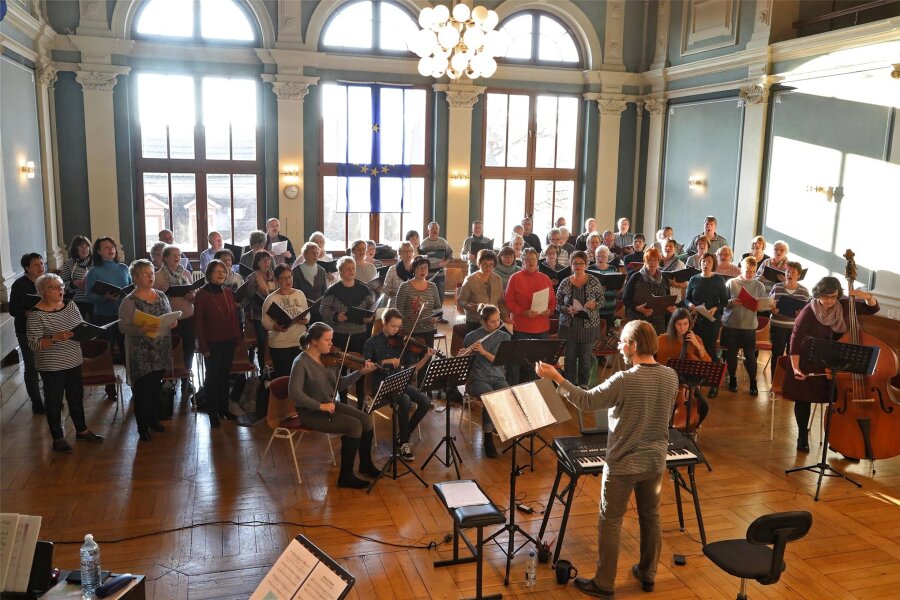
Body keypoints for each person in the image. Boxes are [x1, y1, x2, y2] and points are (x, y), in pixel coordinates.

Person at [535, 320, 677, 600]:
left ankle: (604, 583)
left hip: (623, 462)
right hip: (655, 461)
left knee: (610, 521)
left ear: (634, 346)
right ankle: (648, 575)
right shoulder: (670, 375)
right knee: (651, 517)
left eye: (623, 341)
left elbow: (587, 402)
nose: (620, 347)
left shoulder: (624, 379)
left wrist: (557, 379)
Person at [784, 277, 879, 454]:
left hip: (835, 360)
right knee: (803, 399)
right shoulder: (808, 312)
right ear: (818, 294)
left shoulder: (843, 304)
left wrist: (865, 295)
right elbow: (795, 341)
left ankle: (837, 442)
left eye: (833, 297)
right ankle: (802, 436)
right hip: (809, 359)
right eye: (825, 297)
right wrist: (796, 367)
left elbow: (872, 308)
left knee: (838, 400)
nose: (829, 301)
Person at [288, 323, 379, 489]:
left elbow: (340, 384)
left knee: (366, 420)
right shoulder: (301, 362)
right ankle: (346, 477)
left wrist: (360, 373)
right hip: (310, 413)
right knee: (354, 426)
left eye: (331, 340)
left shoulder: (329, 359)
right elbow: (295, 394)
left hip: (329, 404)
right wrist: (320, 406)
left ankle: (365, 465)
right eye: (327, 340)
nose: (331, 344)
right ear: (314, 341)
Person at [26, 273, 104, 451]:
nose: (61, 289)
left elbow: (80, 326)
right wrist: (54, 338)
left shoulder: (70, 305)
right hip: (51, 365)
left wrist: (89, 332)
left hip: (74, 359)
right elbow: (33, 344)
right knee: (54, 401)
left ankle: (82, 431)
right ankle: (58, 438)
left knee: (76, 396)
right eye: (55, 287)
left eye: (61, 285)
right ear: (43, 291)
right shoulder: (36, 315)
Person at [362, 308, 434, 461]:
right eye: (393, 326)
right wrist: (384, 362)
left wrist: (426, 357)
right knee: (406, 400)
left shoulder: (402, 343)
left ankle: (403, 435)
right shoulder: (371, 342)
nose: (396, 330)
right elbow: (365, 367)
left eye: (398, 326)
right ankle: (404, 444)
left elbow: (413, 369)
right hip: (380, 384)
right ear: (384, 323)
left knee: (426, 402)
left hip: (399, 382)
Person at [118, 259, 175, 442]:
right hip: (141, 352)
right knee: (143, 391)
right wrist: (140, 329)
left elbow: (169, 314)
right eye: (145, 274)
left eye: (151, 273)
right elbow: (123, 327)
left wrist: (173, 322)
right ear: (135, 277)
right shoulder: (129, 301)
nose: (151, 277)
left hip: (160, 348)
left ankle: (153, 420)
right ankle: (142, 428)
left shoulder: (161, 295)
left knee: (156, 388)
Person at [319, 257, 376, 406]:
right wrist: (336, 316)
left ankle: (361, 400)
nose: (351, 271)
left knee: (360, 367)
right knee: (341, 368)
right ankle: (342, 399)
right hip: (339, 336)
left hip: (360, 335)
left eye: (353, 268)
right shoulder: (333, 290)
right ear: (340, 271)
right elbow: (323, 309)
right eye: (348, 269)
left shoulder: (364, 289)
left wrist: (369, 318)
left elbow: (372, 308)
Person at [193, 259, 241, 426]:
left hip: (228, 340)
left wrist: (237, 338)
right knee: (213, 378)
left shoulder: (227, 292)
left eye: (223, 271)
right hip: (212, 343)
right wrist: (203, 346)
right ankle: (213, 413)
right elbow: (198, 323)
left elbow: (234, 317)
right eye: (217, 271)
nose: (221, 274)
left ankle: (224, 409)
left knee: (225, 376)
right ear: (208, 274)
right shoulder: (201, 295)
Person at [84, 237, 131, 399]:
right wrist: (104, 297)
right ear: (98, 251)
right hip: (103, 317)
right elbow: (88, 296)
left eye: (112, 247)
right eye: (106, 248)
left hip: (123, 315)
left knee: (128, 351)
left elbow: (131, 290)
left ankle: (133, 384)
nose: (111, 250)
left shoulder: (123, 268)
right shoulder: (94, 272)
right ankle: (110, 387)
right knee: (107, 352)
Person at [462, 304, 511, 458]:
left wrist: (483, 351)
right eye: (493, 321)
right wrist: (464, 355)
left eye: (498, 320)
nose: (498, 324)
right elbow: (465, 364)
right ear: (483, 322)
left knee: (507, 392)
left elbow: (499, 361)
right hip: (476, 377)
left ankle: (504, 427)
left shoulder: (505, 337)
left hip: (497, 375)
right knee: (490, 397)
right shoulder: (471, 336)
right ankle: (487, 437)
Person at [153, 244, 197, 413]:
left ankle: (186, 377)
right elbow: (155, 298)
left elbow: (193, 292)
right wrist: (167, 293)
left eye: (179, 255)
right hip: (169, 320)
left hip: (187, 317)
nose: (177, 257)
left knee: (188, 348)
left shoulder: (185, 273)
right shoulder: (158, 277)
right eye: (173, 255)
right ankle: (169, 379)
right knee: (170, 349)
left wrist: (191, 295)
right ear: (164, 257)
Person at [504, 248, 557, 384]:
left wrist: (549, 310)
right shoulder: (515, 278)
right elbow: (509, 302)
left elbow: (552, 301)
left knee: (539, 362)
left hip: (541, 327)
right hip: (521, 326)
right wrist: (523, 312)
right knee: (516, 361)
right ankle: (514, 388)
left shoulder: (545, 278)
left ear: (537, 261)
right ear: (522, 261)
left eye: (533, 259)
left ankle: (537, 388)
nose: (531, 262)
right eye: (527, 259)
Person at [556, 251, 605, 386]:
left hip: (588, 327)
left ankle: (584, 386)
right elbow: (556, 303)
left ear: (586, 265)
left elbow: (602, 301)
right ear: (571, 265)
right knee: (570, 358)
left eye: (580, 263)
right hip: (569, 326)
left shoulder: (594, 281)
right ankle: (570, 386)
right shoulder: (565, 282)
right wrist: (565, 309)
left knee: (585, 358)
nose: (577, 266)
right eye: (575, 263)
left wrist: (594, 305)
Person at [656, 308, 711, 426]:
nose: (682, 328)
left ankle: (692, 428)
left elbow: (707, 363)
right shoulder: (662, 340)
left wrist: (697, 345)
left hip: (688, 385)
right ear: (673, 324)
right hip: (666, 384)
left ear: (690, 324)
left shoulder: (696, 340)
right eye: (679, 324)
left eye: (685, 324)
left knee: (704, 407)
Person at [684, 253, 729, 397]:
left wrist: (716, 308)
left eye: (709, 261)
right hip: (696, 319)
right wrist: (689, 304)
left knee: (709, 349)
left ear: (713, 264)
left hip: (711, 320)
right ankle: (697, 381)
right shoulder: (694, 279)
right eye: (703, 261)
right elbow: (687, 299)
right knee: (695, 348)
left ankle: (713, 383)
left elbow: (724, 301)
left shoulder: (718, 280)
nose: (706, 264)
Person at [721, 256, 766, 395]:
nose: (750, 274)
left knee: (750, 356)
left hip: (749, 326)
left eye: (753, 271)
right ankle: (733, 379)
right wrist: (731, 301)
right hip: (732, 324)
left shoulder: (759, 285)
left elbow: (764, 307)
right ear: (742, 268)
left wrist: (761, 304)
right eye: (747, 270)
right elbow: (722, 302)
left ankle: (753, 382)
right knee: (732, 354)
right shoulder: (732, 282)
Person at [9, 253, 46, 413]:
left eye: (42, 263)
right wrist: (25, 312)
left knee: (47, 365)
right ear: (27, 268)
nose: (41, 267)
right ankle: (36, 401)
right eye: (36, 265)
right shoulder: (19, 285)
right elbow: (12, 310)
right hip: (26, 329)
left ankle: (52, 396)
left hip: (47, 328)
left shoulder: (47, 282)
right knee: (32, 366)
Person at [262, 264, 309, 379]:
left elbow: (307, 312)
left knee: (299, 377)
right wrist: (274, 326)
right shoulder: (271, 298)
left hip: (299, 341)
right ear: (277, 280)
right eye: (284, 278)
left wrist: (306, 319)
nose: (288, 280)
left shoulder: (299, 294)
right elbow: (265, 321)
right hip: (280, 343)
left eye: (290, 276)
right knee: (283, 377)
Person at [768, 261, 810, 381]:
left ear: (799, 275)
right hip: (778, 326)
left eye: (793, 272)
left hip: (795, 328)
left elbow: (807, 311)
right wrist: (773, 310)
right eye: (788, 271)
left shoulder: (804, 291)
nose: (789, 274)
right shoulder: (777, 287)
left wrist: (800, 314)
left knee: (793, 356)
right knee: (777, 355)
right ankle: (774, 382)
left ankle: (788, 382)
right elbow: (769, 306)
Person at [237, 250, 277, 369]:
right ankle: (263, 369)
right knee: (262, 343)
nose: (267, 262)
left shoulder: (274, 275)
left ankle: (274, 366)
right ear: (257, 263)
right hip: (260, 314)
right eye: (263, 260)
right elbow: (249, 296)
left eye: (268, 260)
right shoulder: (252, 277)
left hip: (275, 314)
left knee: (274, 342)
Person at [395, 256, 442, 349]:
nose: (423, 270)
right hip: (410, 330)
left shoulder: (433, 286)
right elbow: (398, 311)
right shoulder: (405, 287)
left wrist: (436, 318)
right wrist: (402, 330)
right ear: (413, 269)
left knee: (427, 358)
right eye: (419, 267)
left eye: (425, 267)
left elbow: (438, 308)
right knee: (410, 360)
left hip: (428, 329)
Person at [622, 247, 671, 335]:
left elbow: (667, 299)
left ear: (659, 261)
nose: (652, 262)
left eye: (655, 260)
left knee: (657, 347)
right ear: (645, 261)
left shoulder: (664, 278)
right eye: (649, 260)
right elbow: (625, 299)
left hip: (659, 322)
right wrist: (637, 308)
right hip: (639, 319)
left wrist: (669, 307)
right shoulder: (636, 277)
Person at [458, 249, 505, 334]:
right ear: (478, 264)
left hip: (493, 321)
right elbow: (461, 300)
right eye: (484, 265)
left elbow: (500, 300)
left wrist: (505, 317)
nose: (488, 268)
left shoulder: (497, 279)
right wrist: (469, 306)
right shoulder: (470, 279)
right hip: (475, 321)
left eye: (491, 265)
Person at [419, 222, 453, 314]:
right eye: (432, 228)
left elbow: (450, 255)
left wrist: (445, 262)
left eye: (436, 229)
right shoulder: (424, 243)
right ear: (428, 231)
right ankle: (427, 315)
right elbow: (419, 258)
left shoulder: (443, 242)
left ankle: (439, 316)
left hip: (440, 273)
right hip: (427, 274)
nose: (434, 230)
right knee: (427, 295)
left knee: (440, 296)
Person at [61, 235, 93, 318]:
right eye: (81, 246)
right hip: (76, 301)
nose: (85, 249)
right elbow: (61, 284)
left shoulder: (95, 263)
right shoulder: (69, 263)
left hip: (94, 299)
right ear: (75, 249)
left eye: (87, 246)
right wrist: (74, 283)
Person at [291, 242, 327, 310]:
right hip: (301, 308)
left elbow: (324, 292)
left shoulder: (322, 271)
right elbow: (293, 291)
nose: (315, 255)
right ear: (305, 254)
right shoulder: (296, 271)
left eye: (317, 253)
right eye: (313, 253)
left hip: (319, 309)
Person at [591, 245, 619, 332]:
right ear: (595, 256)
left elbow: (618, 287)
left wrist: (618, 288)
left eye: (603, 256)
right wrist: (598, 291)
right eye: (598, 255)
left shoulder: (613, 269)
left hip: (610, 305)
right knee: (595, 333)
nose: (600, 258)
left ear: (608, 257)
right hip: (595, 307)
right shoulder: (590, 269)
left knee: (607, 332)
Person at [382, 241, 416, 306]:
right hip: (396, 303)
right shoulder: (392, 269)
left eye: (410, 251)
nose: (408, 253)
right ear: (400, 253)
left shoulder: (417, 269)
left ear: (413, 253)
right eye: (405, 251)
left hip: (413, 304)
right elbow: (386, 290)